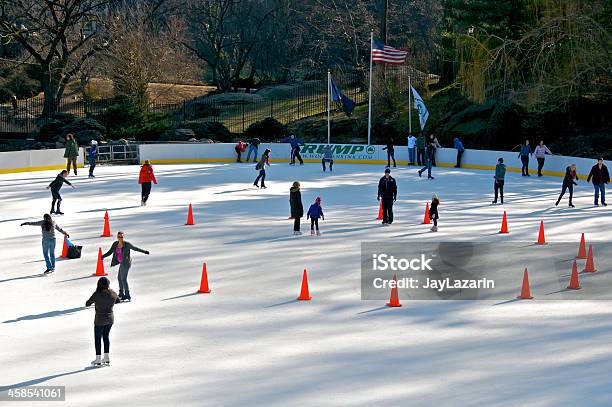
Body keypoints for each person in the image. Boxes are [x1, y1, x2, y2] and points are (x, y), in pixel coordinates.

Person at [102, 231, 149, 302]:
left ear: (124, 237)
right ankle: (121, 293)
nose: (120, 238)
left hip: (126, 263)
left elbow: (135, 248)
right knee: (119, 278)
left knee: (123, 279)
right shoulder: (115, 244)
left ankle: (127, 294)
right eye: (119, 237)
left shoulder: (127, 244)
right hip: (121, 263)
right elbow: (110, 252)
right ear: (117, 237)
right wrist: (103, 256)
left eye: (122, 237)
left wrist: (145, 251)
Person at [86, 277, 119, 367]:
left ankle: (98, 359)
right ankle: (106, 357)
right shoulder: (113, 293)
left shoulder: (97, 294)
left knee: (97, 338)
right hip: (110, 319)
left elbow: (87, 303)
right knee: (106, 337)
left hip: (99, 319)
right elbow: (118, 300)